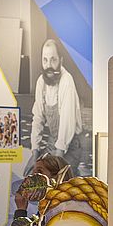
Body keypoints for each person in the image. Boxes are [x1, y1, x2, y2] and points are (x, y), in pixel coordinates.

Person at [30, 39, 84, 174]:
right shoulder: (41, 82)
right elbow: (37, 118)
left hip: (71, 145)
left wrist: (57, 161)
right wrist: (35, 151)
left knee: (58, 181)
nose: (48, 65)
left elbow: (67, 122)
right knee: (30, 176)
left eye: (53, 60)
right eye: (45, 60)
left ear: (61, 60)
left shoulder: (67, 81)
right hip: (53, 141)